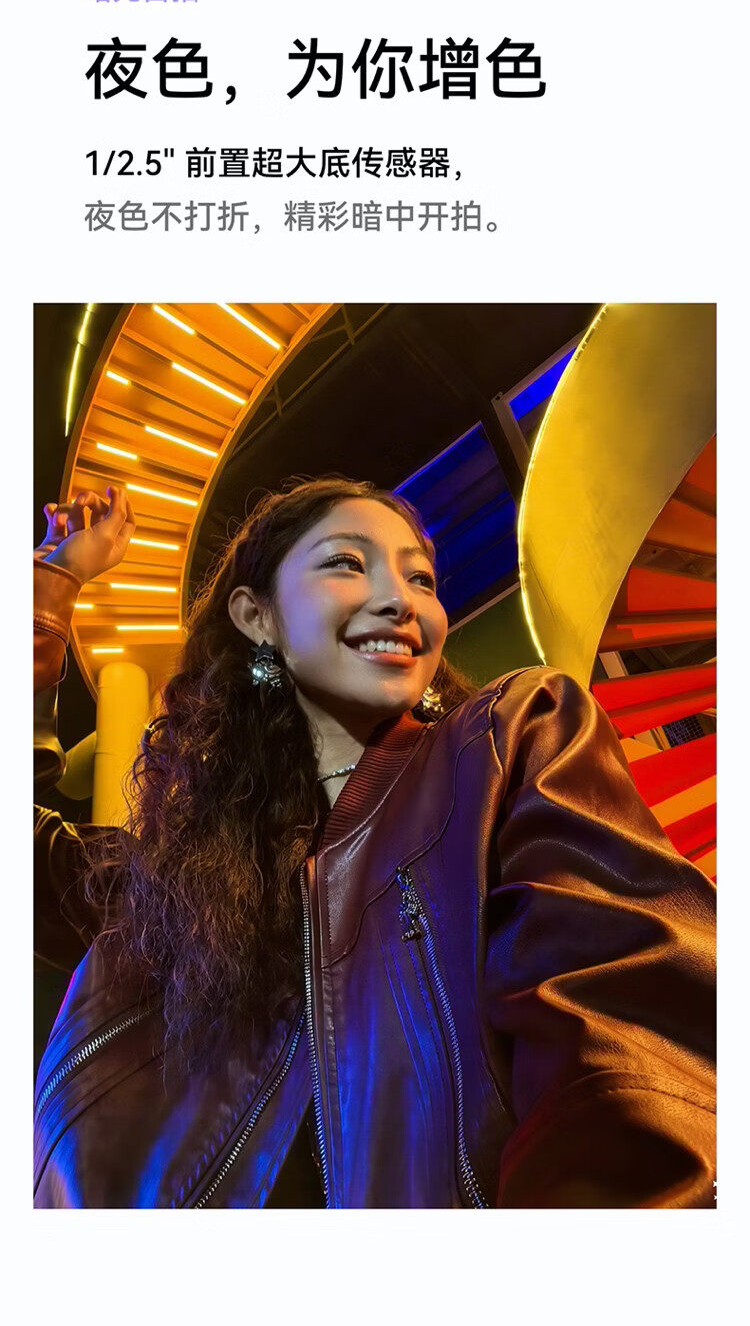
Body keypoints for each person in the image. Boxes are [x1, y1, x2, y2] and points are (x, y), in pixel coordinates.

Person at [33, 477, 716, 1208]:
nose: (401, 600)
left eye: (421, 579)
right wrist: (51, 585)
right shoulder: (154, 891)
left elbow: (627, 1050)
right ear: (257, 616)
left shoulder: (510, 745)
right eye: (346, 563)